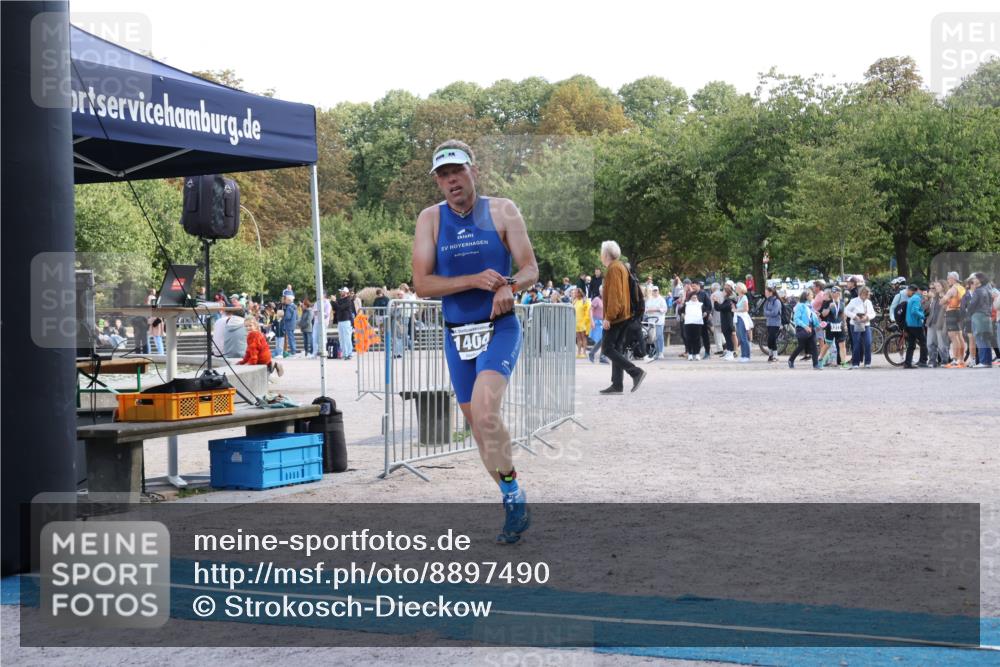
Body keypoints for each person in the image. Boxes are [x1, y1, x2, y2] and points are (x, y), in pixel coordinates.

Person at [412, 139, 539, 544]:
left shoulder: (502, 210)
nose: (451, 181)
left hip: (498, 327)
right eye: (443, 175)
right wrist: (473, 280)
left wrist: (509, 286)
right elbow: (422, 284)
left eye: (457, 172)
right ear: (438, 182)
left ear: (473, 171)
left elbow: (530, 268)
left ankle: (512, 497)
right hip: (456, 335)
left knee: (485, 411)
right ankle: (511, 494)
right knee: (479, 430)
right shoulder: (430, 220)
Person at [598, 240, 647, 394]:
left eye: (601, 252)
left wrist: (608, 317)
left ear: (606, 254)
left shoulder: (614, 268)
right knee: (617, 348)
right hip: (624, 315)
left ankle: (635, 372)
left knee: (607, 349)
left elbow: (615, 295)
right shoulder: (621, 267)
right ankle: (617, 384)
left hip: (617, 316)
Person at [788, 291, 821, 370]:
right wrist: (805, 326)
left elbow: (812, 318)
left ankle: (815, 365)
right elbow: (796, 319)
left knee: (814, 346)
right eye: (811, 295)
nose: (813, 296)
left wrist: (817, 325)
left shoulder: (810, 306)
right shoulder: (800, 306)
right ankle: (791, 360)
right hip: (802, 328)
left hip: (811, 328)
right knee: (801, 346)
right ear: (806, 296)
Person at [845, 286, 876, 369]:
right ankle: (855, 363)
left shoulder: (868, 302)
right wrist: (854, 316)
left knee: (868, 342)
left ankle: (867, 362)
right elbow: (846, 310)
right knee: (856, 343)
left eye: (867, 294)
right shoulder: (853, 301)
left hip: (866, 324)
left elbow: (873, 313)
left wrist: (868, 317)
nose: (866, 296)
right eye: (865, 294)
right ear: (860, 293)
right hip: (855, 324)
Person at [967, 272, 994, 368]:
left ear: (980, 279)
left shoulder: (978, 291)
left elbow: (972, 305)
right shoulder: (987, 289)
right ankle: (988, 362)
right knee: (986, 339)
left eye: (974, 278)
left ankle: (983, 361)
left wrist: (968, 310)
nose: (973, 280)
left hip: (978, 316)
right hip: (987, 316)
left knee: (980, 339)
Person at [941, 271, 966, 368]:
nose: (947, 281)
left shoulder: (953, 289)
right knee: (959, 337)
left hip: (952, 312)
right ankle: (961, 359)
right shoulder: (961, 288)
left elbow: (943, 301)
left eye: (948, 279)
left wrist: (942, 299)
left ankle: (955, 359)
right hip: (959, 312)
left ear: (953, 279)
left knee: (953, 336)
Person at [902, 284, 928, 368]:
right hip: (916, 324)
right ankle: (923, 361)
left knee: (911, 345)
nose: (924, 294)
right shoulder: (917, 298)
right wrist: (923, 316)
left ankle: (907, 363)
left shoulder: (912, 298)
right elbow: (914, 311)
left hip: (909, 324)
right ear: (920, 291)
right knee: (923, 343)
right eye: (924, 292)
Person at [925, 281, 949, 368]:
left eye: (938, 286)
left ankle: (945, 361)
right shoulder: (934, 297)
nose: (936, 288)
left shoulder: (947, 296)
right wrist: (927, 299)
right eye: (935, 286)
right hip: (931, 322)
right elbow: (926, 308)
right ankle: (932, 361)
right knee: (930, 343)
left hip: (941, 323)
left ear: (943, 286)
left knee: (942, 344)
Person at [680, 285, 706, 361]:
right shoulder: (687, 304)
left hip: (697, 323)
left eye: (695, 297)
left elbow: (705, 311)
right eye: (693, 297)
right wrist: (682, 314)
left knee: (697, 339)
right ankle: (690, 354)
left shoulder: (700, 304)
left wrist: (705, 313)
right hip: (688, 324)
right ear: (690, 297)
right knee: (689, 339)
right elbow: (680, 311)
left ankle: (697, 353)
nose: (694, 298)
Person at [715, 282, 736, 361]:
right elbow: (718, 308)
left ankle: (731, 353)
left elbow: (720, 308)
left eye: (723, 291)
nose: (722, 293)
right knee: (727, 338)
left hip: (728, 322)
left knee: (729, 338)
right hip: (724, 321)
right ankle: (728, 352)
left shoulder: (729, 300)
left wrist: (716, 301)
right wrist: (716, 302)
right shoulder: (725, 300)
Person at [645, 285, 668, 360]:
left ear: (658, 291)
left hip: (659, 321)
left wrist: (655, 309)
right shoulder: (649, 299)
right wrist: (655, 309)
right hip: (651, 321)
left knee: (659, 336)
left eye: (656, 290)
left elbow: (664, 309)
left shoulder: (662, 299)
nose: (655, 292)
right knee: (653, 338)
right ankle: (657, 352)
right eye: (654, 291)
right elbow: (646, 309)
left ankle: (661, 352)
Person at [334, 287, 356, 360]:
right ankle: (345, 353)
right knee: (341, 339)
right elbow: (336, 308)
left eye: (342, 291)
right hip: (340, 321)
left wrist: (335, 302)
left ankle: (348, 353)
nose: (340, 293)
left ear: (346, 292)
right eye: (340, 291)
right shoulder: (340, 300)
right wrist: (333, 302)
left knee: (346, 338)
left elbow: (341, 307)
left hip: (346, 321)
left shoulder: (348, 300)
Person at [588, 284, 608, 364]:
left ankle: (593, 354)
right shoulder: (596, 299)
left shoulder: (607, 300)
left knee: (603, 340)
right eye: (602, 291)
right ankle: (601, 356)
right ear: (600, 291)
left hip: (604, 322)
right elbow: (590, 310)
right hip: (597, 322)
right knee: (602, 339)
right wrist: (591, 320)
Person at [762, 285, 783, 362]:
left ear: (771, 293)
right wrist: (768, 312)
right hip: (769, 323)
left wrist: (767, 312)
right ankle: (770, 355)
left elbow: (774, 312)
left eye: (766, 292)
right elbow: (764, 311)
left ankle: (775, 356)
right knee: (769, 340)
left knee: (772, 339)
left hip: (776, 323)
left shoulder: (776, 301)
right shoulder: (767, 301)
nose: (765, 294)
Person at [733, 282, 752, 363]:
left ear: (740, 288)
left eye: (737, 287)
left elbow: (746, 309)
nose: (735, 288)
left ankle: (746, 355)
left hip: (742, 318)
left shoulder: (744, 297)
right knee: (740, 337)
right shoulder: (739, 297)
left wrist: (736, 310)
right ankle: (743, 355)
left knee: (744, 337)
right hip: (738, 317)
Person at [572, 287, 591, 358]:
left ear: (579, 293)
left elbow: (587, 311)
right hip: (576, 322)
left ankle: (584, 353)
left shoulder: (584, 300)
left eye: (575, 293)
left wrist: (586, 321)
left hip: (583, 322)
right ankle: (579, 352)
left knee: (584, 338)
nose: (574, 294)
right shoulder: (575, 301)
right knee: (578, 338)